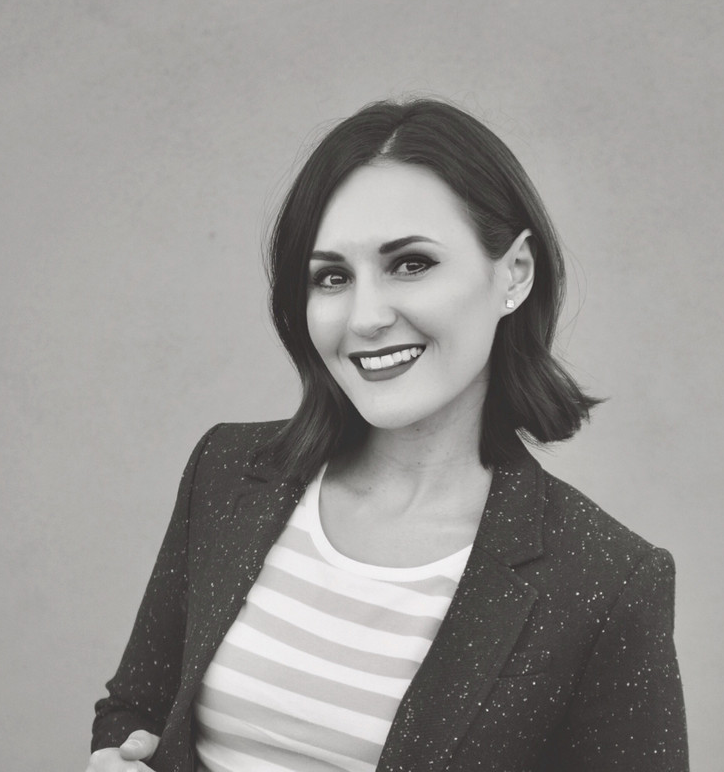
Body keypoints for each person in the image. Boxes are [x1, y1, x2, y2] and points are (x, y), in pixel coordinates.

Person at [88, 98, 689, 772]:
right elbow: (137, 708)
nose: (366, 317)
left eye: (411, 264)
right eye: (332, 277)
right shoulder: (227, 472)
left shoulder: (605, 581)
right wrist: (119, 756)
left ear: (515, 272)